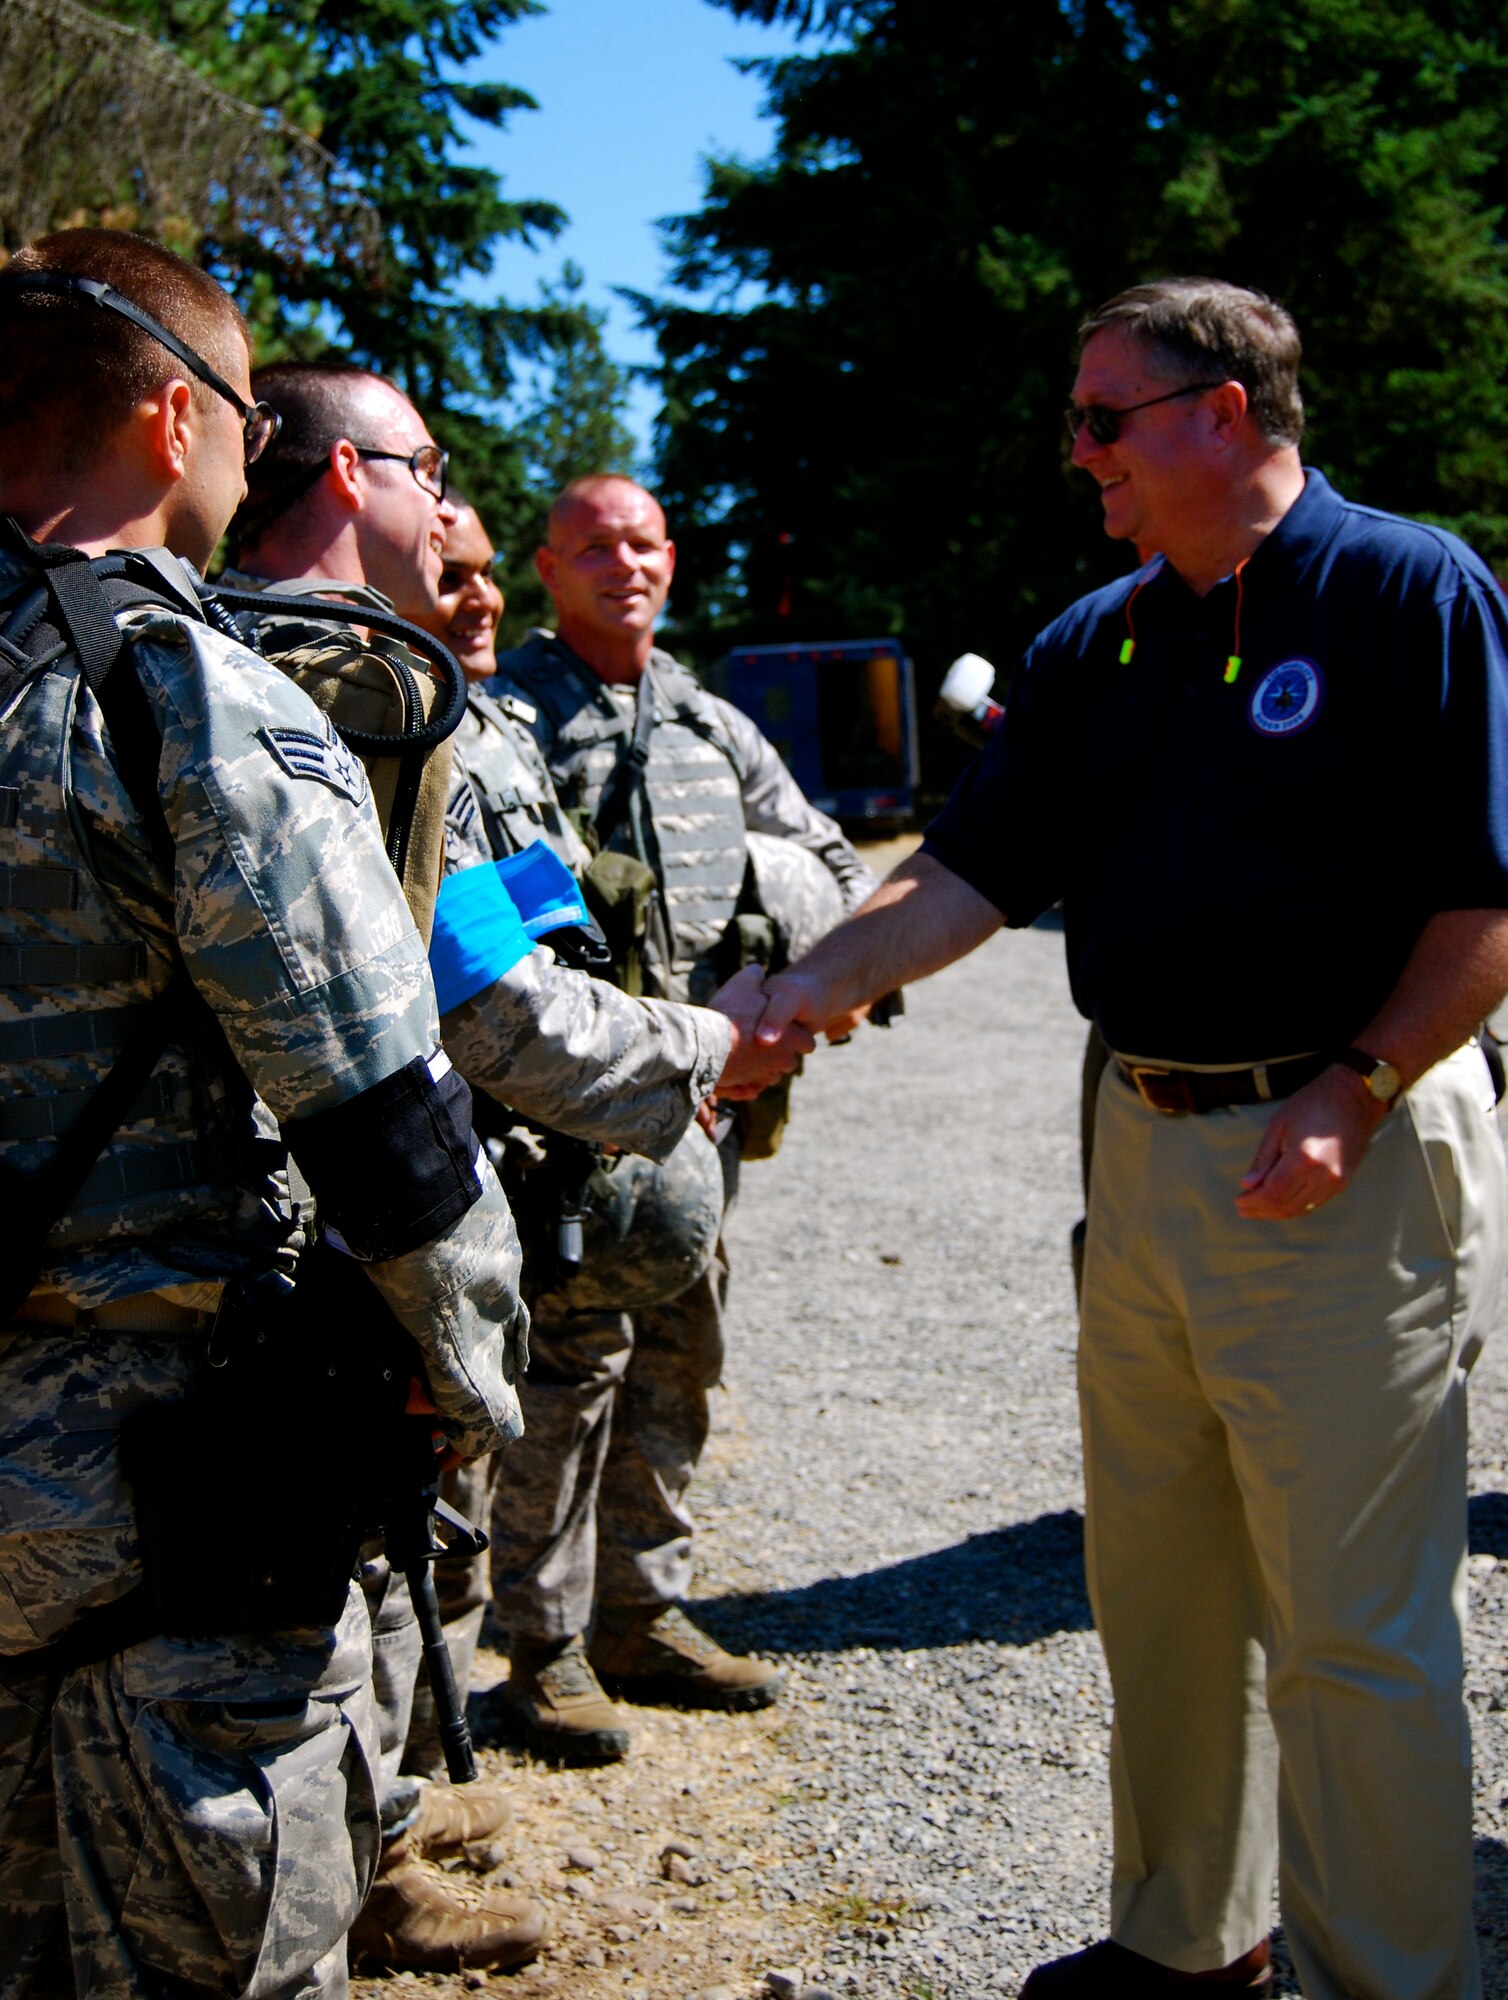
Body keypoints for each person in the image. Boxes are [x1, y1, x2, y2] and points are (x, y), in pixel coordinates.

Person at [753, 279, 1508, 2000]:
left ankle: (1390, 1980)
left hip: (1341, 1143)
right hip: (1144, 1147)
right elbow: (963, 877)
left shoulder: (1407, 591)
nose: (1074, 451)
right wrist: (797, 993)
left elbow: (1485, 896)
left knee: (1350, 1627)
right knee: (1162, 1592)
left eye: (1102, 417)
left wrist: (1354, 1087)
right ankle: (1188, 1945)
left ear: (1222, 413)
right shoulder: (1092, 641)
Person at [0, 228, 536, 1994]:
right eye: (241, 414)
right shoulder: (186, 695)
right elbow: (387, 1129)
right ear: (173, 420)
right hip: (173, 1504)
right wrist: (473, 1384)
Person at [226, 380, 808, 1808]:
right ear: (353, 476)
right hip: (335, 1230)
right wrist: (704, 1049)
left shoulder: (171, 654)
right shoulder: (365, 697)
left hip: (272, 1221)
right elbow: (488, 995)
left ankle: (391, 1833)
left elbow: (540, 938)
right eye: (430, 475)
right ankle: (379, 1840)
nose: (446, 518)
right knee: (377, 1544)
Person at [488, 475, 876, 1759]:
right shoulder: (506, 721)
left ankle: (640, 1613)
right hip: (566, 1117)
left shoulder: (712, 724)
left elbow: (832, 868)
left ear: (672, 559)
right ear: (547, 566)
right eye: (593, 545)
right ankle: (537, 1647)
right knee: (565, 1375)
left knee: (680, 1357)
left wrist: (778, 992)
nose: (623, 564)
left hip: (710, 1113)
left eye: (642, 543)